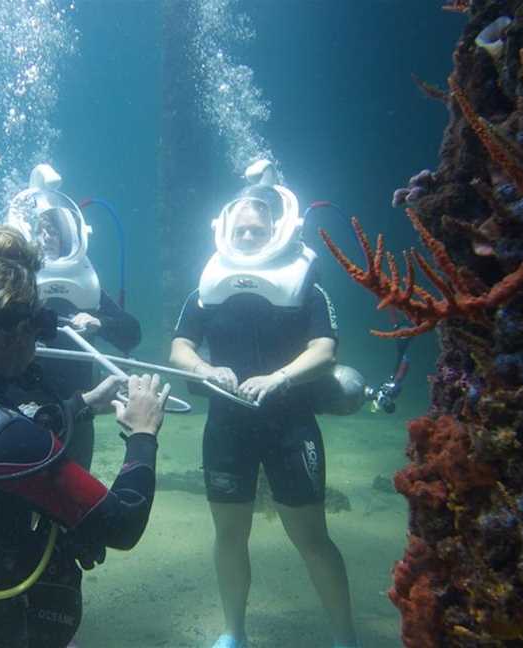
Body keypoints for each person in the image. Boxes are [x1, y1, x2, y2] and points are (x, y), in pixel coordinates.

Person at [0, 219, 168, 647]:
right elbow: (122, 524)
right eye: (40, 326)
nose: (40, 342)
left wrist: (80, 405)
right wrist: (143, 434)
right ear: (17, 332)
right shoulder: (14, 440)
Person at [169, 160, 358, 648]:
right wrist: (207, 370)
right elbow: (179, 348)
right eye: (242, 230)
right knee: (229, 536)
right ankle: (234, 632)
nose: (249, 237)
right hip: (226, 425)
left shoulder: (308, 287)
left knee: (311, 539)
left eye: (257, 229)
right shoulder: (205, 291)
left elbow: (325, 350)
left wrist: (278, 378)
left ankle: (345, 639)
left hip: (290, 425)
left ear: (277, 230)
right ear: (227, 231)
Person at [7, 164, 141, 470]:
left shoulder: (84, 285)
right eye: (39, 228)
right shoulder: (6, 283)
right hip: (18, 408)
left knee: (73, 500)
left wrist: (100, 323)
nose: (47, 236)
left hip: (79, 408)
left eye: (54, 229)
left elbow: (132, 333)